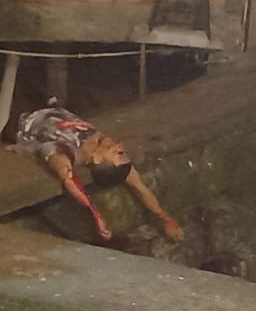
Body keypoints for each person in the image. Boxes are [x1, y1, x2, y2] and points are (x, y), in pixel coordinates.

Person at [15, 103, 184, 242]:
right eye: (121, 151)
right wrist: (165, 218)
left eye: (118, 153)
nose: (119, 145)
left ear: (97, 160)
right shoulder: (98, 143)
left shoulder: (67, 151)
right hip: (54, 106)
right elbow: (140, 188)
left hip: (24, 115)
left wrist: (96, 214)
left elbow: (68, 178)